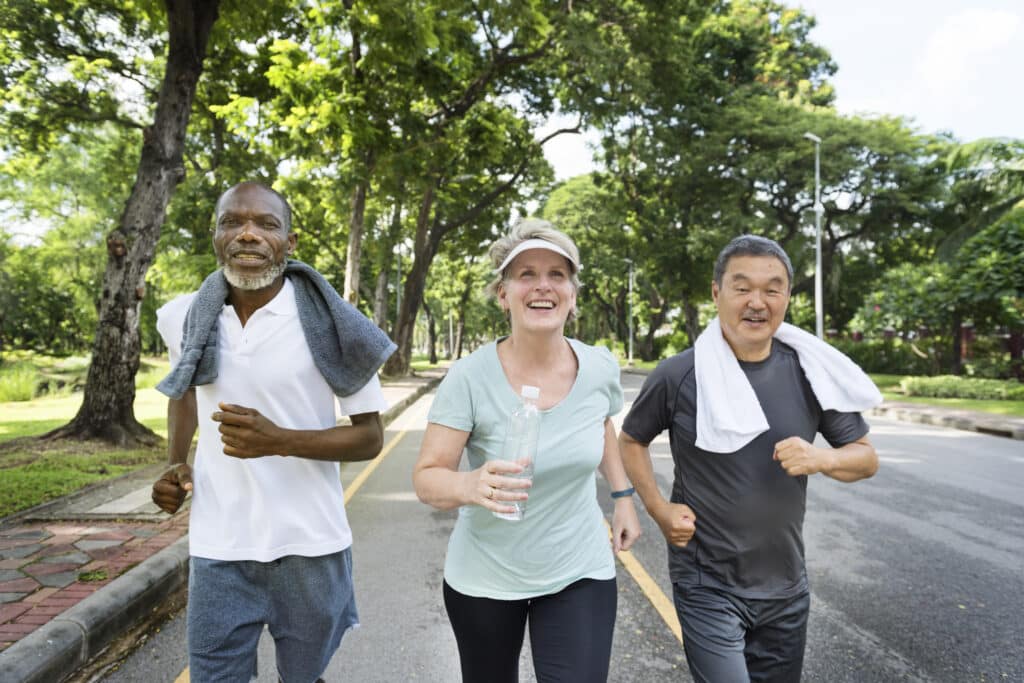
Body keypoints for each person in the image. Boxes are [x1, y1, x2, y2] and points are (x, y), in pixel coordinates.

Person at [150, 181, 396, 683]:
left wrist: (279, 441)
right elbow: (185, 393)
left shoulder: (333, 323)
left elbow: (370, 437)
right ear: (214, 234)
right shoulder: (182, 317)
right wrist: (177, 463)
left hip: (310, 547)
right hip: (219, 546)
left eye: (266, 224)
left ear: (290, 241)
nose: (248, 234)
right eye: (232, 222)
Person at [619, 234, 880, 683]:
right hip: (707, 582)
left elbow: (866, 458)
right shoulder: (678, 375)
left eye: (772, 288)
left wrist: (822, 459)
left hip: (786, 586)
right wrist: (659, 510)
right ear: (716, 292)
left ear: (787, 298)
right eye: (742, 288)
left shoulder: (810, 372)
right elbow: (631, 440)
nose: (757, 302)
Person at [412, 218, 641, 683]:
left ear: (572, 293)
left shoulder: (598, 366)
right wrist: (470, 484)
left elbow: (600, 425)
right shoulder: (469, 377)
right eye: (526, 274)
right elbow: (427, 477)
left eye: (557, 274)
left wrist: (622, 498)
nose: (543, 286)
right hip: (485, 577)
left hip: (579, 568)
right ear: (504, 294)